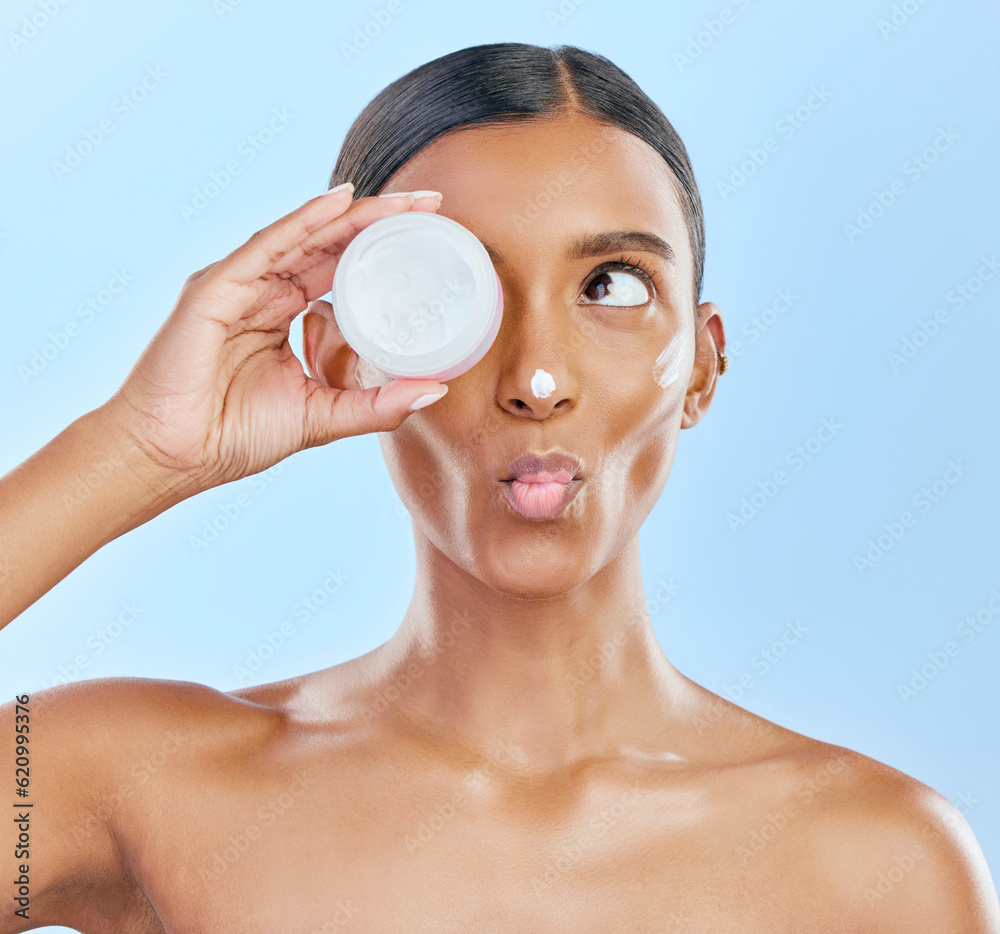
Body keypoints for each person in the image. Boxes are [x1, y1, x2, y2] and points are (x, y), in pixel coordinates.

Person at [1, 42, 997, 933]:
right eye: (455, 286)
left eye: (611, 285)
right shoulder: (134, 783)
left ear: (700, 367)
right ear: (348, 354)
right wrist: (140, 449)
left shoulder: (879, 862)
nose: (536, 378)